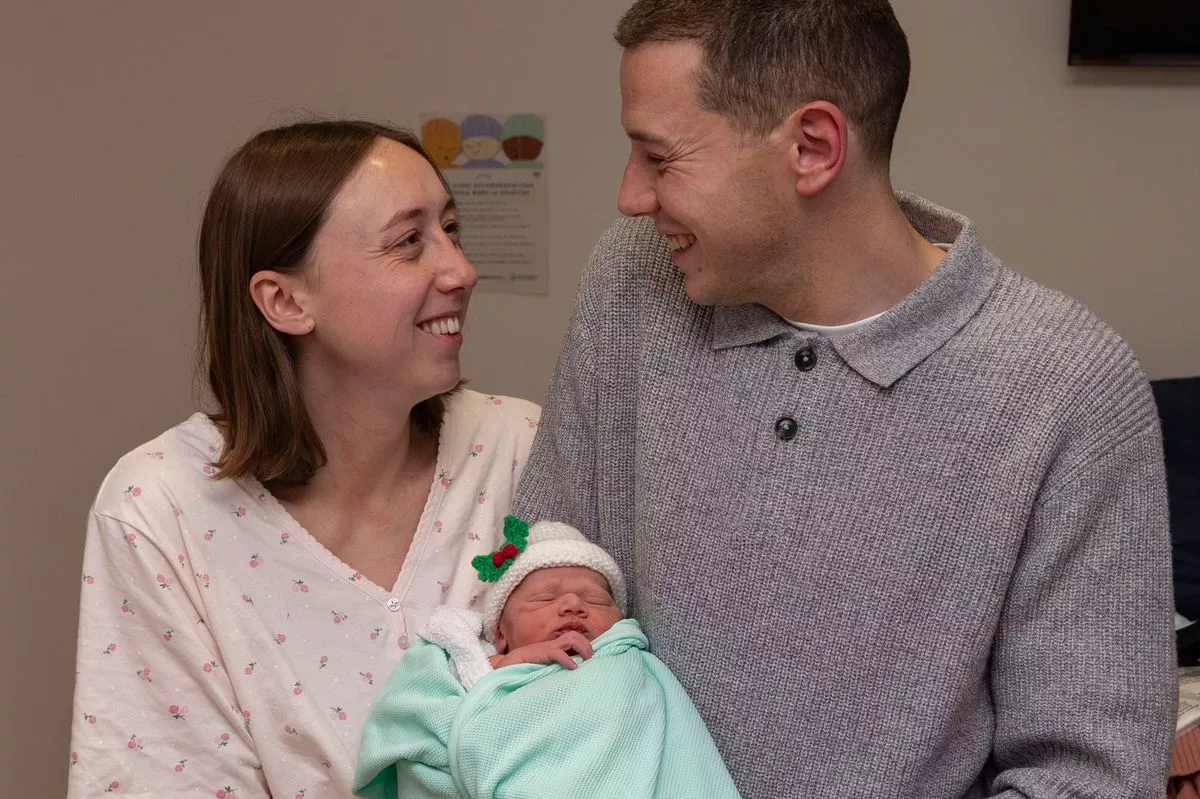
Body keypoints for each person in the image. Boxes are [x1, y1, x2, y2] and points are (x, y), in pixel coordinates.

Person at [512, 2, 1176, 797]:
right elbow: (531, 555)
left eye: (659, 157)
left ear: (813, 147)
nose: (630, 196)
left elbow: (1091, 777)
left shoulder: (1067, 388)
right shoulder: (631, 282)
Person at [67, 121, 540, 798]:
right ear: (285, 301)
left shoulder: (520, 447)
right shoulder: (161, 510)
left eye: (451, 228)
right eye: (409, 241)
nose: (462, 271)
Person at [352, 517, 740, 799]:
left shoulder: (625, 664)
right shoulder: (473, 664)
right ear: (500, 635)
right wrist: (508, 664)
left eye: (596, 599)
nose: (572, 604)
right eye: (544, 599)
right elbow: (424, 711)